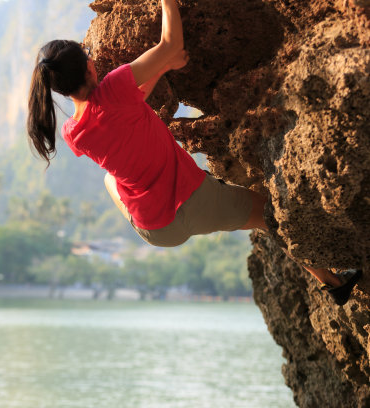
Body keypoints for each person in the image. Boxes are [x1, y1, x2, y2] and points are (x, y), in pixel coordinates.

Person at [26, 0, 362, 305]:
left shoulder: (74, 134)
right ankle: (332, 282)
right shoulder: (114, 88)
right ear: (89, 69)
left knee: (110, 179)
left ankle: (335, 285)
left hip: (156, 230)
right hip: (196, 201)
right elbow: (170, 44)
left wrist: (164, 67)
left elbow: (128, 109)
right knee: (271, 217)